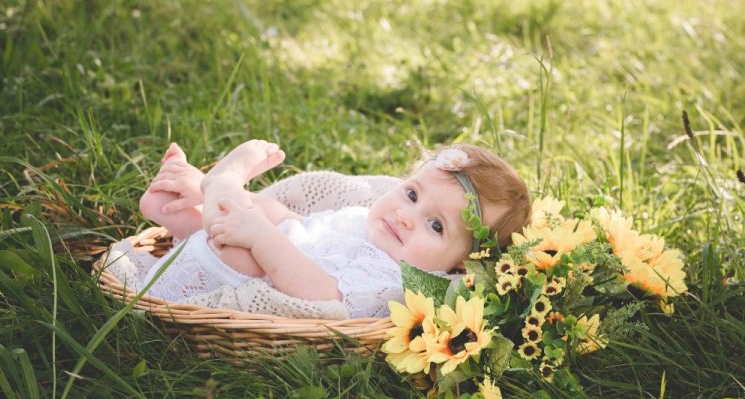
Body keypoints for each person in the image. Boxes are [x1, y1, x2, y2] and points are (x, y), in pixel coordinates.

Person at [138, 139, 531, 318]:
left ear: (461, 267)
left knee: (256, 245)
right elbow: (298, 228)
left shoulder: (398, 283)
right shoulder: (360, 222)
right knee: (284, 217)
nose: (406, 216)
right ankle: (192, 210)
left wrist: (261, 236)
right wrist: (269, 224)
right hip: (228, 252)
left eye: (434, 225)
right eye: (411, 194)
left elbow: (323, 297)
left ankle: (222, 183)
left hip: (235, 276)